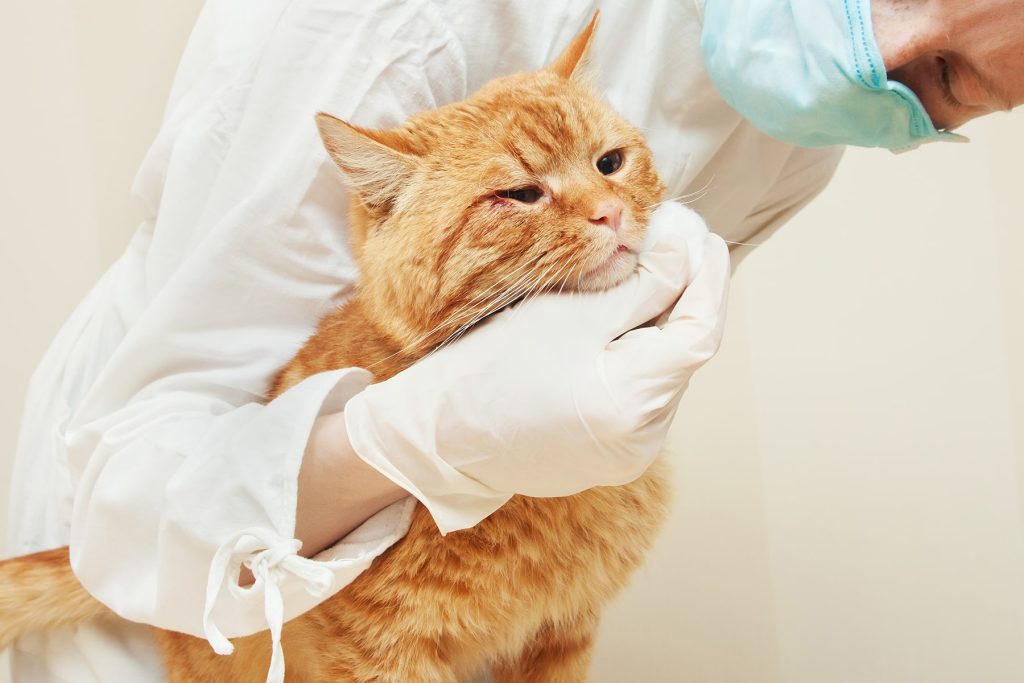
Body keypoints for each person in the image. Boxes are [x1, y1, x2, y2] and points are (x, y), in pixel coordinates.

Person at [6, 0, 1021, 681]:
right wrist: (408, 435)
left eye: (946, 81)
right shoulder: (394, 21)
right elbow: (137, 492)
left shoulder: (802, 137)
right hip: (167, 514)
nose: (883, 54)